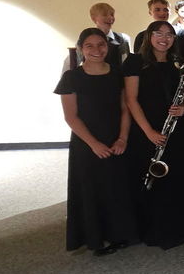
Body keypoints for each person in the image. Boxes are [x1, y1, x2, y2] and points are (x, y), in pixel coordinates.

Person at [123, 21, 184, 249]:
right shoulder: (135, 62)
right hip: (149, 130)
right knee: (155, 180)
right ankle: (157, 229)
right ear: (149, 36)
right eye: (159, 33)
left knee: (181, 176)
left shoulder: (179, 63)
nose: (164, 38)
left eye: (169, 34)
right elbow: (131, 100)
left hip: (177, 129)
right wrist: (149, 132)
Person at [55, 28, 137, 256]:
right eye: (89, 46)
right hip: (86, 142)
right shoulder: (72, 77)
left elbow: (124, 108)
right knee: (92, 189)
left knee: (117, 186)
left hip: (115, 138)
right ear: (81, 49)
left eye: (101, 45)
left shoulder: (117, 74)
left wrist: (122, 138)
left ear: (107, 47)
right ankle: (95, 238)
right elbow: (71, 116)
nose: (96, 50)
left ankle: (120, 233)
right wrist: (94, 144)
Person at [86, 2, 132, 70]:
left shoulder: (123, 38)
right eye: (104, 15)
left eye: (112, 15)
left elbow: (127, 64)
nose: (110, 18)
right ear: (94, 18)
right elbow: (74, 61)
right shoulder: (85, 39)